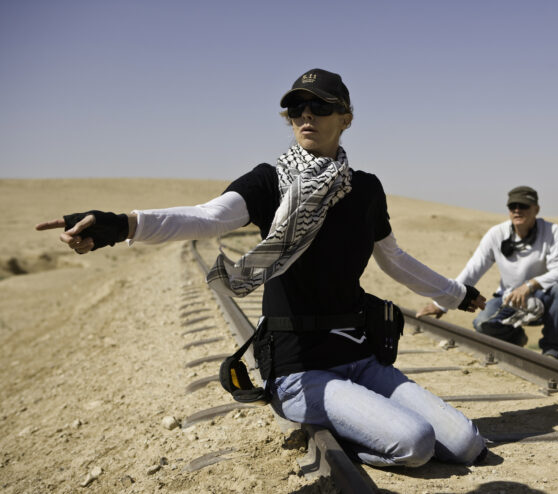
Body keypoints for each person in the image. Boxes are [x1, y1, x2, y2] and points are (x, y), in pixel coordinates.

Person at [35, 68, 489, 467]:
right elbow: (206, 217)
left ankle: (371, 422)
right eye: (295, 109)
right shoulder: (269, 182)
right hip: (299, 368)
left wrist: (457, 293)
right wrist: (122, 225)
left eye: (320, 106)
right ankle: (360, 434)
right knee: (416, 442)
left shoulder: (366, 189)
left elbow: (394, 258)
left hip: (359, 356)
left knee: (467, 443)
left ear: (346, 118)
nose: (306, 115)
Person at [417, 186, 558, 359]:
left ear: (536, 209)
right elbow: (473, 269)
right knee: (482, 324)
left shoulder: (552, 231)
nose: (517, 210)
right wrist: (442, 303)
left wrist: (529, 285)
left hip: (541, 298)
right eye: (513, 206)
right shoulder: (497, 234)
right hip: (508, 298)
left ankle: (551, 353)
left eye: (524, 206)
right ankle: (516, 338)